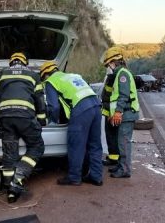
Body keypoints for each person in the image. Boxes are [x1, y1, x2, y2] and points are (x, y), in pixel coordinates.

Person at [0, 52, 46, 203]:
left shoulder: (1, 74)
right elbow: (39, 98)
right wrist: (41, 118)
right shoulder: (33, 75)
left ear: (11, 62)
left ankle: (9, 189)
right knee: (37, 147)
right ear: (25, 62)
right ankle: (18, 179)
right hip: (25, 117)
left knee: (9, 153)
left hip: (5, 118)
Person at [39, 61, 103, 186]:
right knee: (95, 144)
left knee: (76, 145)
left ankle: (74, 177)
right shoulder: (73, 76)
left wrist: (53, 121)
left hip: (81, 110)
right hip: (96, 106)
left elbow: (54, 107)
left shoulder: (51, 81)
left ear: (45, 74)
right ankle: (96, 176)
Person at [102, 47, 139, 178]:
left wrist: (117, 112)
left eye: (108, 64)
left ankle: (125, 170)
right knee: (120, 142)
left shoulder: (122, 74)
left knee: (124, 143)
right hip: (124, 113)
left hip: (127, 113)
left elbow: (123, 95)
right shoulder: (119, 73)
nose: (108, 67)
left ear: (114, 62)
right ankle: (120, 165)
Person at [100, 64, 120, 167]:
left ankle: (114, 159)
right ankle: (113, 157)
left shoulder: (113, 77)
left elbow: (108, 96)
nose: (107, 67)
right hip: (109, 111)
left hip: (111, 112)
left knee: (112, 135)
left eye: (109, 64)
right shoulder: (111, 77)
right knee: (110, 135)